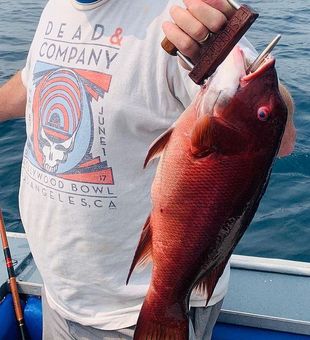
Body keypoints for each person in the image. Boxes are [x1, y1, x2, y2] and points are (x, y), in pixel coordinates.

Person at [0, 0, 295, 339]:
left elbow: (274, 128)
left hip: (136, 311)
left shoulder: (180, 14)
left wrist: (222, 51)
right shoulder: (58, 6)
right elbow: (33, 80)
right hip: (59, 294)